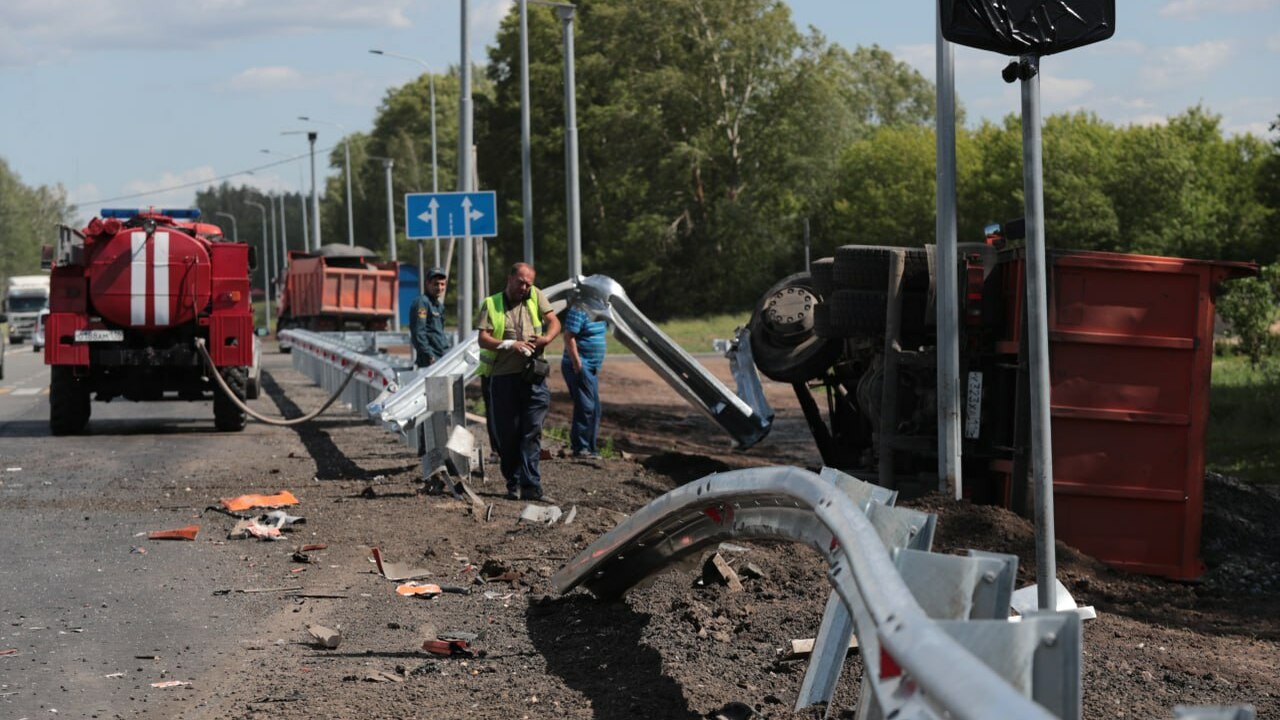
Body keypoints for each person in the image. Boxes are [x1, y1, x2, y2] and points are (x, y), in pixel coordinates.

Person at [476, 263, 561, 501]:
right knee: (509, 434)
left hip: (533, 376)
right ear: (510, 278)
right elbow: (483, 339)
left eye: (528, 284)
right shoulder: (491, 303)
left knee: (532, 431)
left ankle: (531, 486)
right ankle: (513, 483)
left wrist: (546, 338)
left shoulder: (535, 296)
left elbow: (554, 322)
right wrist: (509, 344)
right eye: (520, 282)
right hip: (503, 378)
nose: (524, 287)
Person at [560, 301, 608, 457]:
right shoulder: (580, 309)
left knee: (594, 408)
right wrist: (577, 364)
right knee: (586, 407)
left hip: (591, 367)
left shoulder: (602, 311)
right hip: (579, 365)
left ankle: (590, 448)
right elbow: (568, 336)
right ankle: (581, 447)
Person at [408, 267, 451, 368]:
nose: (439, 288)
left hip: (441, 356)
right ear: (427, 283)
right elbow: (419, 333)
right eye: (435, 284)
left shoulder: (439, 306)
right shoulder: (422, 303)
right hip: (430, 361)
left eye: (442, 284)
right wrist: (429, 355)